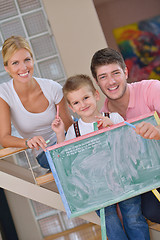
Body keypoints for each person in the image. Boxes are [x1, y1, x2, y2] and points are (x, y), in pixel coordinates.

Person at [52, 74, 150, 240]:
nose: (83, 104)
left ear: (96, 95)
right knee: (110, 221)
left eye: (86, 97)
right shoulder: (73, 131)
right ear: (71, 108)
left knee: (133, 217)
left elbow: (132, 144)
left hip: (125, 178)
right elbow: (64, 157)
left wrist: (115, 128)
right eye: (76, 102)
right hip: (96, 187)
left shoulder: (114, 118)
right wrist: (60, 133)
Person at [90, 47, 160, 225]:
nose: (111, 81)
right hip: (147, 180)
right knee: (151, 210)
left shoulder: (152, 89)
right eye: (103, 76)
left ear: (126, 72)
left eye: (115, 73)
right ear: (97, 82)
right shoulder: (103, 119)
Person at [0, 35, 73, 169]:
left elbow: (70, 127)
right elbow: (4, 138)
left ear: (33, 60)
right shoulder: (4, 94)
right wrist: (28, 142)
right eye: (15, 63)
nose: (23, 68)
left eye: (27, 60)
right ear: (6, 68)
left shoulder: (52, 88)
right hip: (44, 153)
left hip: (67, 140)